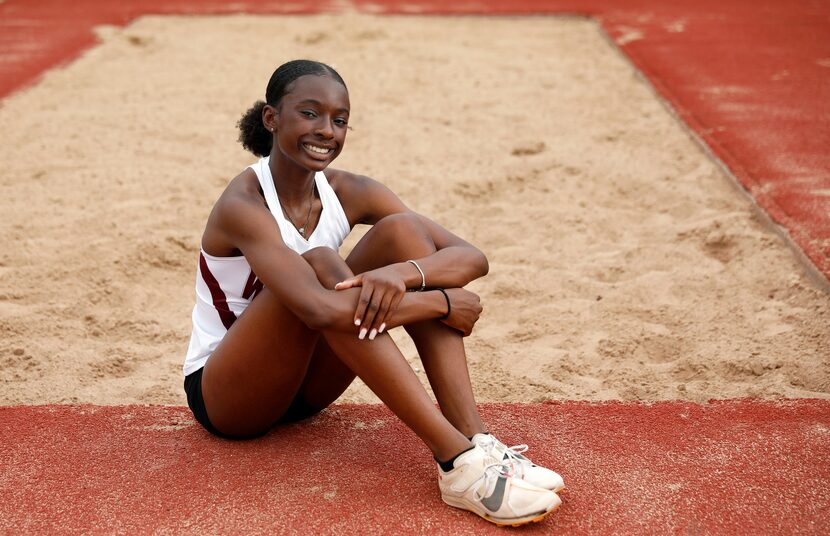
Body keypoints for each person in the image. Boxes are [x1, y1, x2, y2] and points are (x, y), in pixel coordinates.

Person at [183, 59, 564, 526]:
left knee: (403, 232)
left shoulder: (350, 190)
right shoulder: (243, 204)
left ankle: (478, 442)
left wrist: (403, 275)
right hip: (229, 397)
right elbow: (319, 309)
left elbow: (469, 257)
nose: (326, 131)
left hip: (305, 391)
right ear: (272, 118)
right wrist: (440, 302)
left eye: (339, 120)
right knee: (323, 263)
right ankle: (457, 465)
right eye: (309, 114)